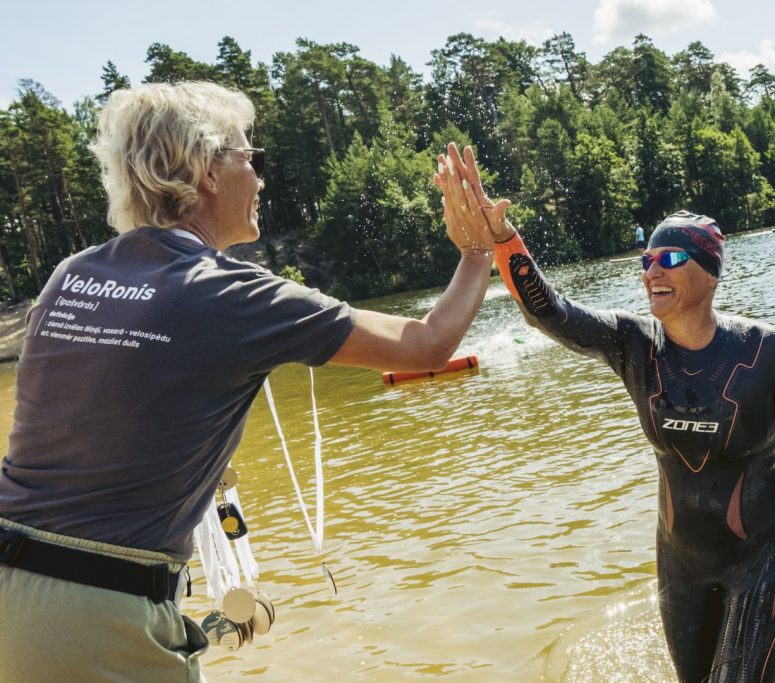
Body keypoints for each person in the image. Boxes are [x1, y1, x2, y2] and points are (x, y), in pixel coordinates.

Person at [0, 81, 495, 682]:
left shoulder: (70, 276)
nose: (260, 180)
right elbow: (427, 345)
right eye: (248, 159)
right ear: (209, 171)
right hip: (96, 616)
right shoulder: (229, 293)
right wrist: (475, 251)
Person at [441, 146, 775, 682]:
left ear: (710, 273)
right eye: (647, 261)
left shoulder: (768, 355)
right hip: (681, 561)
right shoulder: (633, 344)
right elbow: (549, 312)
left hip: (763, 557)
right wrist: (504, 238)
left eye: (669, 260)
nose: (651, 272)